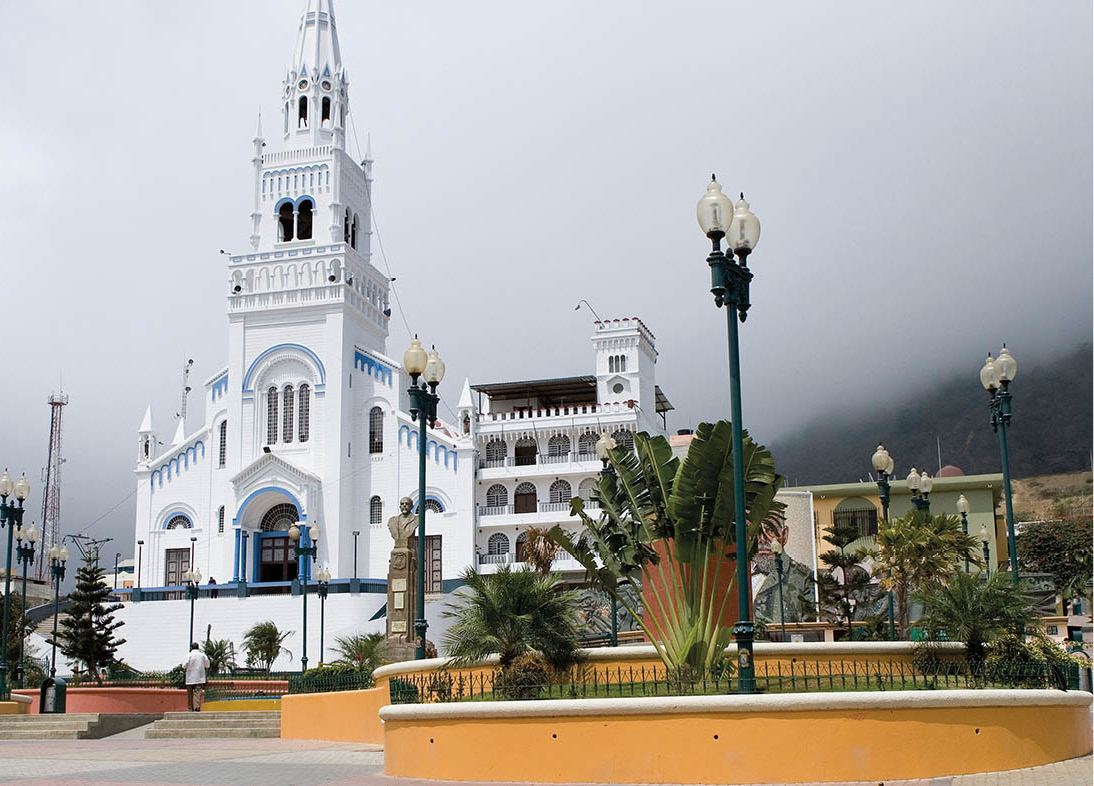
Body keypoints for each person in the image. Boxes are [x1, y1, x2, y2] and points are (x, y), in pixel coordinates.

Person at [184, 642, 210, 712]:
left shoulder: (188, 655)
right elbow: (207, 665)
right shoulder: (202, 656)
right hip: (199, 678)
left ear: (191, 648)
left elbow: (184, 665)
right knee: (197, 693)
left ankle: (190, 708)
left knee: (190, 694)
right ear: (198, 647)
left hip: (189, 678)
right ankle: (197, 707)